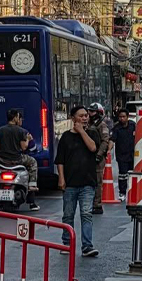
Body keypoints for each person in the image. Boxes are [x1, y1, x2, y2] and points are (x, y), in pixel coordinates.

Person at [56, 104, 99, 257]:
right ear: (73, 118)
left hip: (88, 182)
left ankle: (87, 246)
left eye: (86, 115)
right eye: (81, 116)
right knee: (68, 214)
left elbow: (93, 148)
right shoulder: (66, 137)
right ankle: (67, 243)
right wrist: (61, 178)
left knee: (86, 214)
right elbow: (60, 160)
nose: (84, 118)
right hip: (70, 183)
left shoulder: (92, 133)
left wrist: (82, 131)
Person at [0, 109, 40, 212]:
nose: (19, 119)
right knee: (33, 162)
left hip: (3, 161)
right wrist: (28, 139)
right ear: (15, 118)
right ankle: (32, 185)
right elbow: (24, 147)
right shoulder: (21, 131)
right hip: (17, 160)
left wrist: (2, 152)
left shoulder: (0, 130)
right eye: (18, 117)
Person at [88, 103, 111, 215]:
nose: (90, 113)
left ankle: (97, 205)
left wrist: (99, 155)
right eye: (90, 111)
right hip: (88, 157)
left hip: (97, 158)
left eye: (92, 112)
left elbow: (105, 141)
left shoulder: (102, 125)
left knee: (97, 182)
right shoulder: (89, 124)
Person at [109, 108, 136, 200]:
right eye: (120, 117)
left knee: (133, 175)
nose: (122, 118)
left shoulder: (133, 125)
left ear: (127, 117)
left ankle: (134, 193)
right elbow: (112, 140)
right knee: (122, 175)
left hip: (133, 155)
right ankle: (122, 193)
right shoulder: (116, 128)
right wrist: (108, 150)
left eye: (123, 116)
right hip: (122, 155)